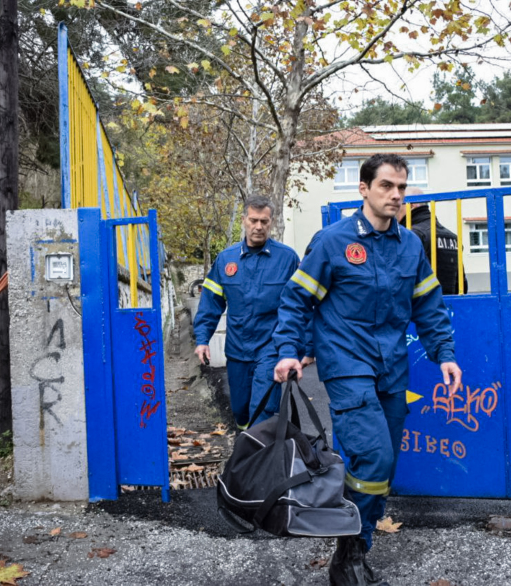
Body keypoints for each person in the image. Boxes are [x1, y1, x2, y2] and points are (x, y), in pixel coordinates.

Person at [272, 154, 461, 586]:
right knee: (374, 456)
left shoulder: (410, 245)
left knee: (383, 466)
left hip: (391, 367)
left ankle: (354, 546)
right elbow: (297, 299)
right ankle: (350, 556)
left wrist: (445, 354)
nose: (396, 195)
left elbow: (428, 306)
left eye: (402, 187)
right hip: (346, 364)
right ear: (363, 189)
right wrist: (288, 350)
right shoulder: (332, 241)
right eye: (386, 186)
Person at [193, 196, 309, 430]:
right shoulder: (226, 260)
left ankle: (260, 451)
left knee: (262, 410)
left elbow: (302, 305)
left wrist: (306, 347)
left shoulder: (287, 258)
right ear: (244, 220)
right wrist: (202, 339)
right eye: (253, 220)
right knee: (241, 411)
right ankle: (247, 444)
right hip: (237, 350)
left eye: (264, 221)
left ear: (271, 222)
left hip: (271, 348)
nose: (258, 226)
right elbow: (210, 303)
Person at [396, 188, 468, 295]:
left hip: (419, 304)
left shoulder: (410, 235)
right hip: (448, 303)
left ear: (411, 205)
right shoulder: (453, 237)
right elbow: (461, 285)